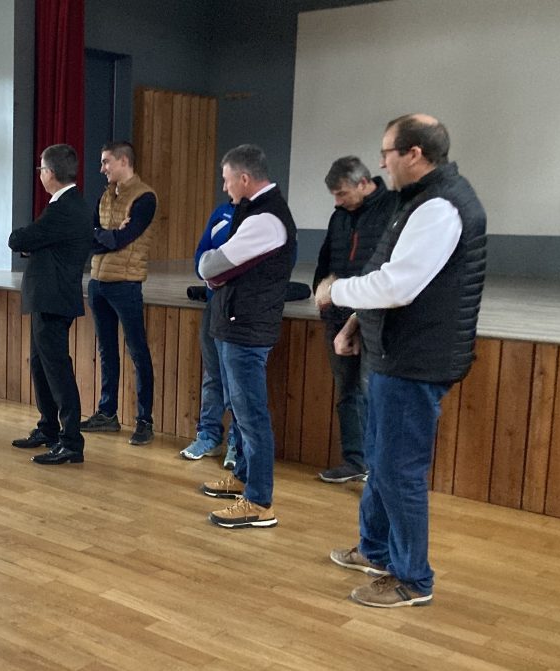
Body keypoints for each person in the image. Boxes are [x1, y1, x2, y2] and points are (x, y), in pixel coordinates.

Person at [315, 114, 487, 608]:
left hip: (415, 360)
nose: (382, 162)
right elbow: (388, 269)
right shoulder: (416, 200)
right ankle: (376, 550)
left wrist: (336, 291)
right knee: (380, 461)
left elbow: (398, 285)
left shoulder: (440, 207)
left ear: (414, 153)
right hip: (394, 352)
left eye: (387, 152)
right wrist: (355, 323)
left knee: (398, 471)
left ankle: (413, 579)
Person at [197, 144, 297, 529]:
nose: (224, 188)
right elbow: (215, 265)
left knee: (251, 415)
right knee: (240, 411)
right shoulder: (252, 211)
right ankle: (242, 478)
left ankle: (258, 501)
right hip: (235, 323)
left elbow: (211, 264)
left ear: (243, 178)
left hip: (247, 329)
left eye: (226, 180)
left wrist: (213, 269)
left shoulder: (266, 219)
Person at [312, 157, 397, 483]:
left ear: (363, 183)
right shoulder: (340, 216)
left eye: (341, 193)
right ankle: (355, 461)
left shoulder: (393, 208)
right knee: (347, 390)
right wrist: (321, 295)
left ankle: (379, 467)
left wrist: (361, 314)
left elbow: (387, 269)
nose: (337, 201)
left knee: (373, 390)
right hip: (337, 315)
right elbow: (325, 261)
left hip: (376, 318)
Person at [8, 144, 90, 465]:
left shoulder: (63, 208)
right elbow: (40, 242)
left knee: (57, 370)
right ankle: (49, 427)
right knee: (40, 365)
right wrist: (37, 245)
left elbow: (19, 239)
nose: (40, 174)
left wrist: (32, 244)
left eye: (41, 169)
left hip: (54, 297)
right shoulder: (66, 204)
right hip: (49, 296)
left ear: (50, 173)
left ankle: (70, 441)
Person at [79, 141, 157, 446]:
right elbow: (91, 237)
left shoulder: (145, 197)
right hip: (98, 280)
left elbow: (123, 239)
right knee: (106, 351)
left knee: (138, 351)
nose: (102, 168)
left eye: (106, 162)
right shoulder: (106, 195)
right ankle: (107, 413)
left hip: (126, 283)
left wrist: (107, 237)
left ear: (124, 161)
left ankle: (144, 420)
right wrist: (107, 236)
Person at [179, 200, 238, 467]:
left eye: (228, 181)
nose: (225, 187)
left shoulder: (262, 214)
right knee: (213, 374)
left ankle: (237, 443)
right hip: (214, 303)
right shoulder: (221, 212)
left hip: (242, 308)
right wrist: (206, 273)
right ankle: (209, 435)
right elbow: (202, 251)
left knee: (236, 380)